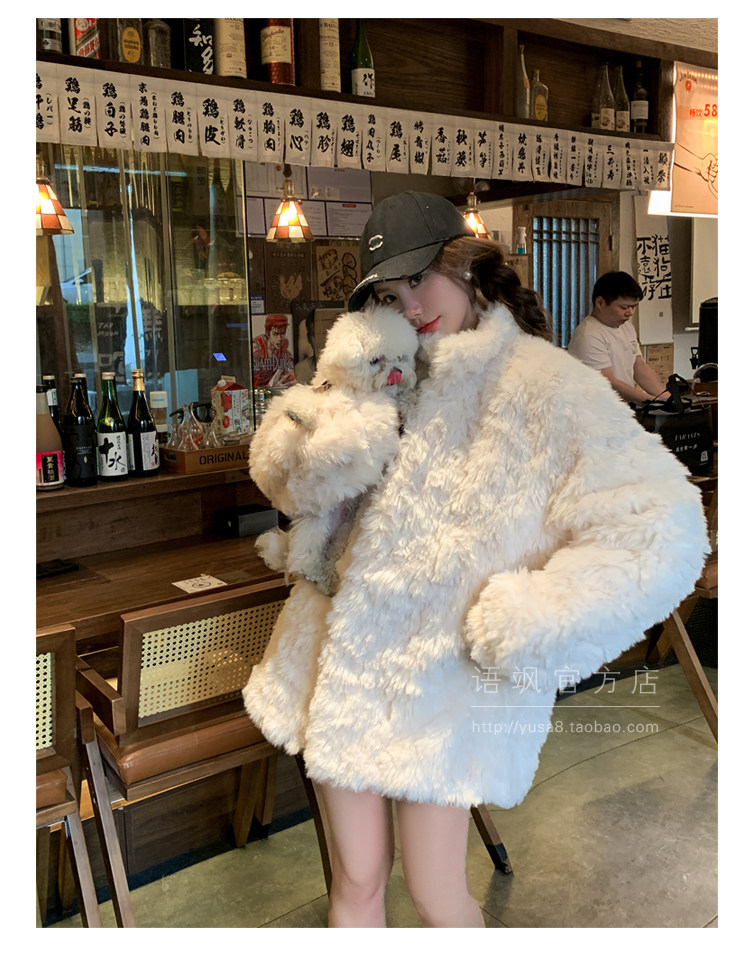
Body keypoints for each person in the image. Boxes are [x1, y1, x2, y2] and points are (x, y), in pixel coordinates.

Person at [243, 191, 708, 928]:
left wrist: (533, 620)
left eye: (419, 278)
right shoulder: (376, 369)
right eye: (388, 294)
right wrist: (324, 430)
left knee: (435, 892)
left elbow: (664, 526)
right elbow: (288, 489)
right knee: (355, 882)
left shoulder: (541, 383)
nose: (409, 305)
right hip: (335, 663)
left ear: (464, 266)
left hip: (445, 680)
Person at [567, 271, 669, 404]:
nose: (630, 313)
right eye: (624, 307)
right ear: (600, 303)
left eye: (633, 307)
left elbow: (640, 368)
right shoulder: (588, 334)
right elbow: (608, 382)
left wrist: (667, 398)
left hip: (621, 408)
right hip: (597, 409)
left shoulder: (627, 327)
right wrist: (653, 401)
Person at [252, 315, 296, 388]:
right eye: (275, 334)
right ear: (268, 333)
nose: (279, 339)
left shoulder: (284, 348)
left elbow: (291, 374)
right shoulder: (256, 348)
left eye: (282, 333)